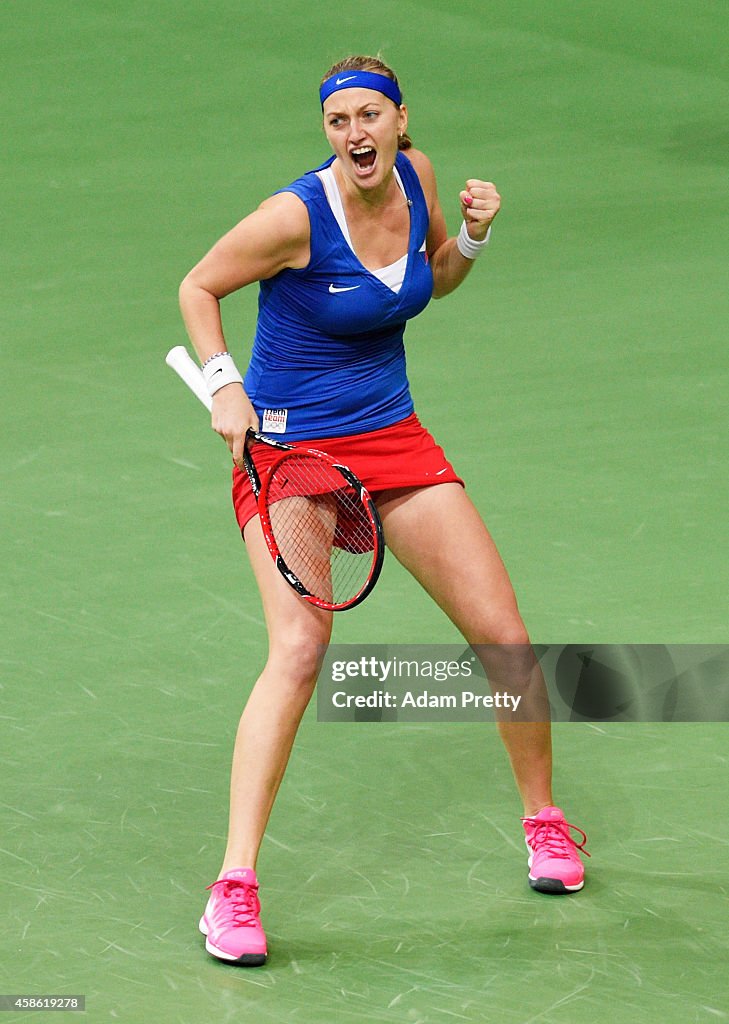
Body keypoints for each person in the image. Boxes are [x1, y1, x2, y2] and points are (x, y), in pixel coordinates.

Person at [179, 55, 588, 967]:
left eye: (370, 117)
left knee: (505, 635)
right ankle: (233, 889)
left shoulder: (416, 176)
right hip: (289, 449)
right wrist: (223, 386)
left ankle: (545, 823)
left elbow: (430, 281)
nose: (356, 135)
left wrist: (472, 240)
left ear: (402, 121)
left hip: (390, 435)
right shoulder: (293, 217)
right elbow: (197, 287)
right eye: (338, 122)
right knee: (298, 650)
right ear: (325, 132)